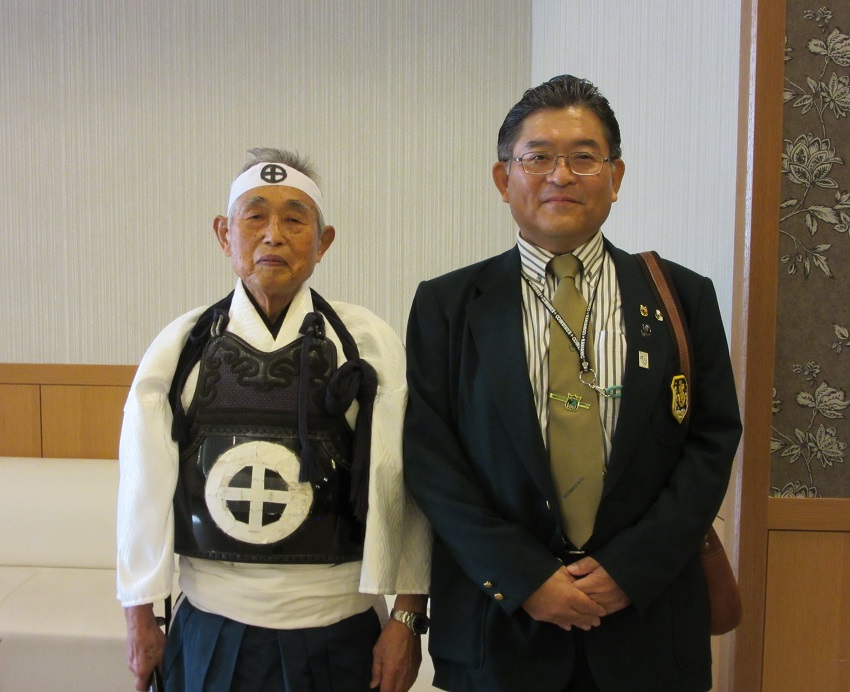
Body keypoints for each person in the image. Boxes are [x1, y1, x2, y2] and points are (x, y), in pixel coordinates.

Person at [402, 76, 742, 691]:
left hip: (649, 629)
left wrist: (632, 568)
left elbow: (711, 442)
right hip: (499, 633)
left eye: (584, 157)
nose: (561, 175)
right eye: (538, 157)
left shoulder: (682, 297)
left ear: (616, 176)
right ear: (504, 178)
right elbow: (431, 459)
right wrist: (523, 577)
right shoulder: (447, 305)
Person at [118, 148, 431, 692]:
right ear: (224, 235)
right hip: (212, 621)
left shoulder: (366, 345)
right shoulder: (182, 347)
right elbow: (142, 489)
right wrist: (139, 617)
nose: (273, 236)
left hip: (339, 623)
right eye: (255, 216)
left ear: (323, 241)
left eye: (294, 219)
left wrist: (407, 617)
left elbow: (401, 485)